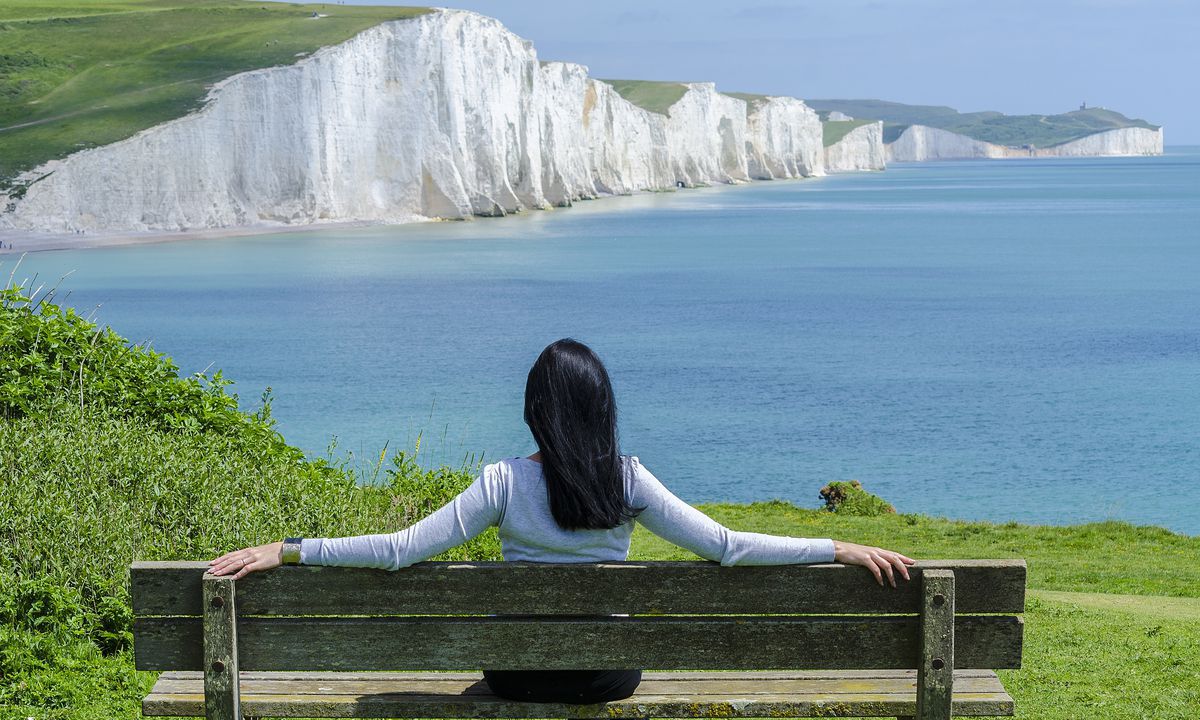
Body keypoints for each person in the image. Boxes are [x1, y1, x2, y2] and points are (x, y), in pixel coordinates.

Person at [210, 338, 915, 703]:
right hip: (608, 675)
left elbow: (398, 550)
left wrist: (290, 548)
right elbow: (728, 548)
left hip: (519, 675)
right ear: (600, 407)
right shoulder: (629, 479)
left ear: (535, 408)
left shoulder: (502, 483)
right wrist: (838, 545)